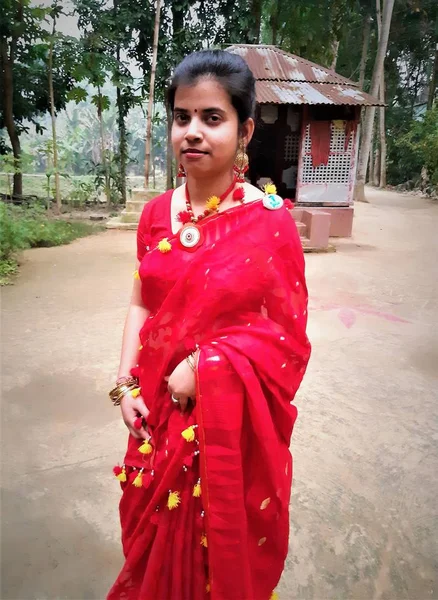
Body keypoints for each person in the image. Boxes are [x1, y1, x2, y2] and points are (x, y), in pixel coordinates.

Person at [107, 49, 311, 600]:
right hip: (153, 414)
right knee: (149, 538)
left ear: (244, 130)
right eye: (181, 117)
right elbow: (141, 303)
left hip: (222, 423)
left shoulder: (270, 224)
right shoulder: (155, 216)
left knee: (212, 554)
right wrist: (125, 384)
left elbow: (288, 340)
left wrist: (206, 368)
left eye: (211, 118)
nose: (192, 132)